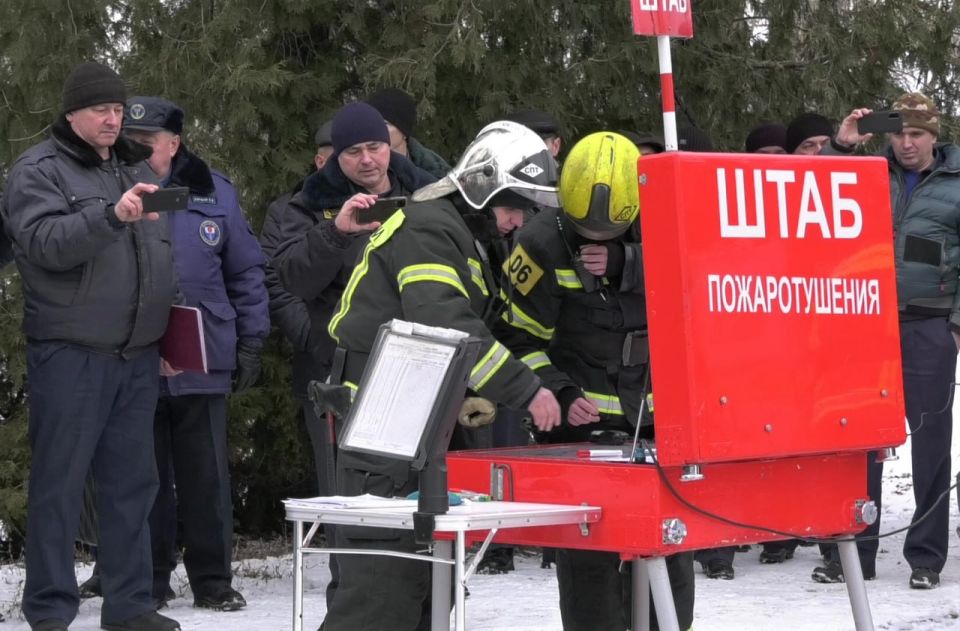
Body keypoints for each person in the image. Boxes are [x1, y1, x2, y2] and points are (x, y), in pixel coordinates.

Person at [320, 120, 562, 631]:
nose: (518, 220)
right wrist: (527, 390)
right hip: (379, 428)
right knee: (380, 590)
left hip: (409, 423)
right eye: (513, 204)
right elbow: (444, 324)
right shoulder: (430, 228)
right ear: (480, 187)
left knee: (426, 582)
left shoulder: (459, 234)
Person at [1, 62, 180, 631]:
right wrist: (111, 216)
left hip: (137, 353)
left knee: (133, 484)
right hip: (70, 351)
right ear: (72, 111)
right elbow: (44, 245)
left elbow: (155, 257)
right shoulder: (38, 171)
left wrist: (168, 333)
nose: (111, 119)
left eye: (118, 110)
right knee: (61, 482)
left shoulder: (133, 165)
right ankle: (51, 608)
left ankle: (129, 604)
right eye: (100, 109)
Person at [494, 131, 694, 631]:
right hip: (581, 436)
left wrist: (630, 263)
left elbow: (705, 275)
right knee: (591, 577)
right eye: (585, 229)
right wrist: (559, 391)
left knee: (670, 561)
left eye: (609, 233)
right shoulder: (540, 242)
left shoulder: (668, 218)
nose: (594, 240)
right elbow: (515, 338)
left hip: (660, 427)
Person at [120, 96, 269, 610]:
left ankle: (212, 581)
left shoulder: (213, 192)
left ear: (174, 143)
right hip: (133, 358)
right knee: (145, 477)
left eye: (145, 144)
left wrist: (252, 338)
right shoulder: (110, 190)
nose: (135, 152)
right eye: (129, 143)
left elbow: (246, 271)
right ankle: (151, 580)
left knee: (206, 477)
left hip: (202, 355)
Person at [813, 92, 958, 589]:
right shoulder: (868, 172)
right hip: (867, 326)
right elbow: (818, 191)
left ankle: (925, 557)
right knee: (861, 439)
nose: (906, 143)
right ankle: (854, 553)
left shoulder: (957, 184)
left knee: (931, 443)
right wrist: (841, 144)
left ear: (934, 136)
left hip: (929, 325)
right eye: (898, 133)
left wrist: (956, 323)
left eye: (916, 134)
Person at [260, 119, 336, 497]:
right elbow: (275, 279)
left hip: (380, 356)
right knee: (333, 471)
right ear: (320, 163)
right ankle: (345, 556)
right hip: (319, 361)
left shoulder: (385, 204)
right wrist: (311, 334)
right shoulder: (289, 210)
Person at [366, 87, 451, 179]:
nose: (375, 129)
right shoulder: (361, 169)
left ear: (404, 131)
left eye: (385, 124)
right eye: (372, 123)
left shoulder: (437, 170)